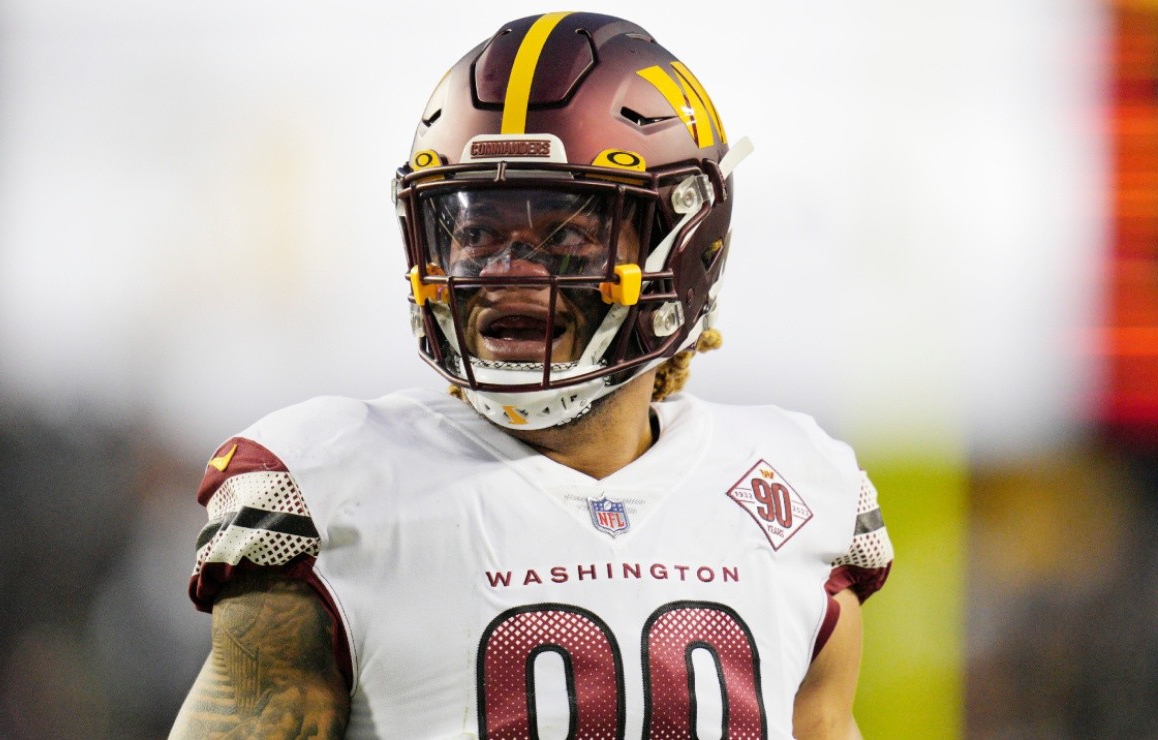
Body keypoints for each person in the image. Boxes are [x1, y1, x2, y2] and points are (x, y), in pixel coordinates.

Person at [171, 11, 893, 739]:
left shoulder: (795, 491)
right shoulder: (336, 486)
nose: (506, 272)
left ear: (683, 247)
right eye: (475, 232)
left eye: (567, 235)